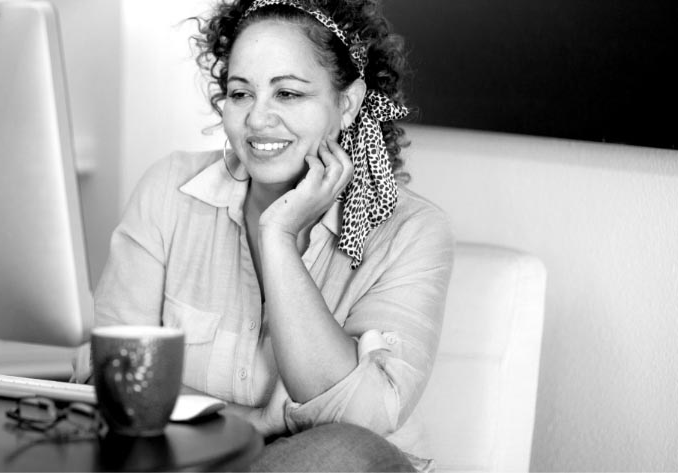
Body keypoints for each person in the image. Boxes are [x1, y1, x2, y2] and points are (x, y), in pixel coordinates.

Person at [79, 0, 454, 471]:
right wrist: (249, 422)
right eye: (240, 94)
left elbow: (359, 420)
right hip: (184, 462)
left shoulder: (412, 233)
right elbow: (111, 374)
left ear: (348, 103)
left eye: (288, 94)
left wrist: (277, 235)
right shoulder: (169, 191)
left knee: (345, 452)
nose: (257, 119)